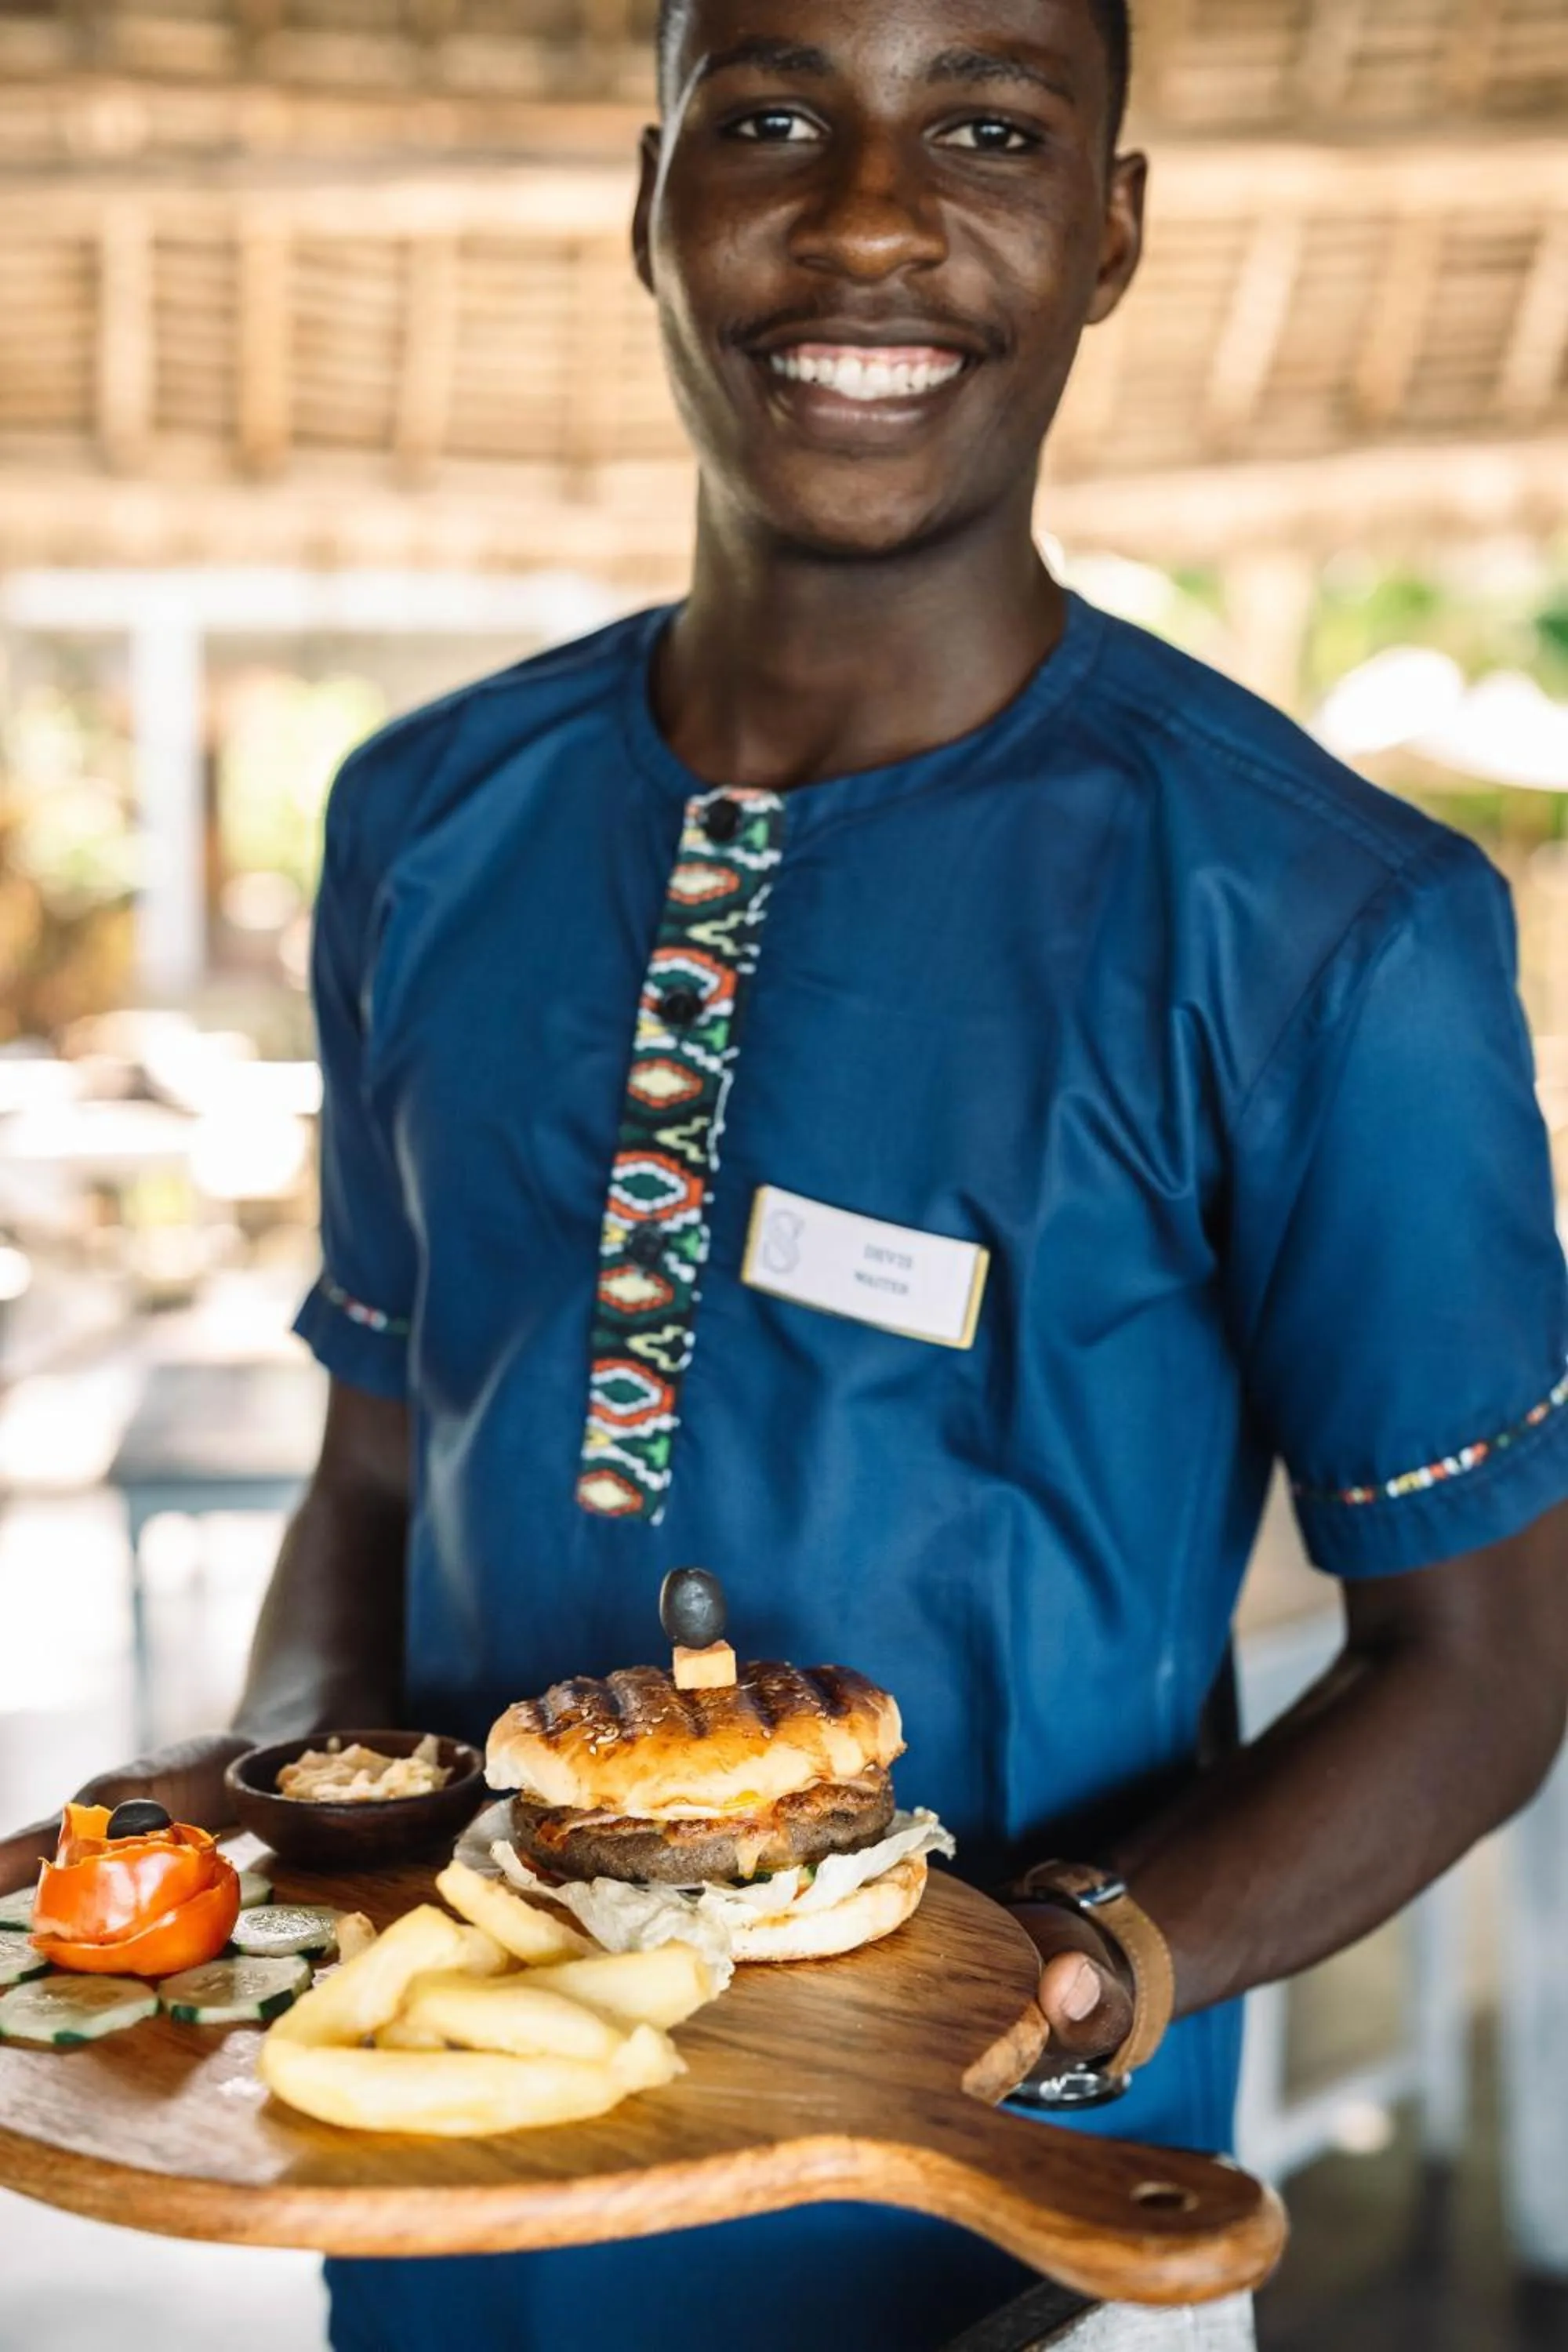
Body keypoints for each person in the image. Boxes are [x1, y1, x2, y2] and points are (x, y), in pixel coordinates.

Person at [7, 0, 1568, 2345]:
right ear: (649, 201)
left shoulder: (1329, 924)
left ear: (1110, 228)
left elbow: (1483, 1661)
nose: (865, 218)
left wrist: (1073, 1977)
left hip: (1005, 2246)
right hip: (444, 2226)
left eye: (990, 126)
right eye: (766, 117)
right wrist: (285, 1815)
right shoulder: (425, 821)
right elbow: (375, 1472)